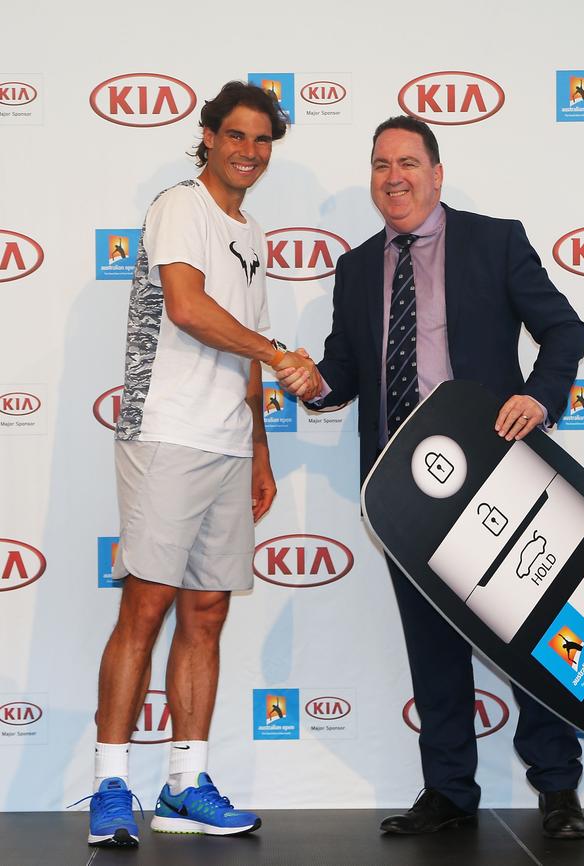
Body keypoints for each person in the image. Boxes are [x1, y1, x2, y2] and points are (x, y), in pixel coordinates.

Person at [279, 115, 584, 839]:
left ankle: (557, 788)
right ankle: (449, 790)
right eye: (381, 164)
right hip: (401, 494)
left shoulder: (495, 239)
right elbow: (344, 374)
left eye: (409, 162)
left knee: (527, 632)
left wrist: (539, 396)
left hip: (496, 476)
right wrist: (312, 383)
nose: (395, 177)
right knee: (432, 643)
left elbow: (564, 330)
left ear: (437, 172)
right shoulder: (356, 267)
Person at [84, 81, 320, 849]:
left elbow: (247, 342)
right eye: (237, 137)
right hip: (165, 433)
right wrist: (279, 353)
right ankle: (110, 785)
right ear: (209, 137)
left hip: (225, 442)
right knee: (145, 609)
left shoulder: (251, 233)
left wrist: (260, 447)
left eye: (263, 142)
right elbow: (187, 307)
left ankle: (185, 784)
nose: (250, 152)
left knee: (207, 613)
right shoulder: (178, 206)